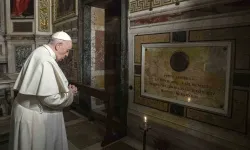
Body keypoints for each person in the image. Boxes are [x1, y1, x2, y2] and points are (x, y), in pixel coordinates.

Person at [8, 31, 78, 150]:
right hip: (35, 117)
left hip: (26, 110)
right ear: (58, 46)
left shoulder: (39, 52)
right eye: (67, 51)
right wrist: (70, 94)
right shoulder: (46, 61)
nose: (67, 55)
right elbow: (50, 99)